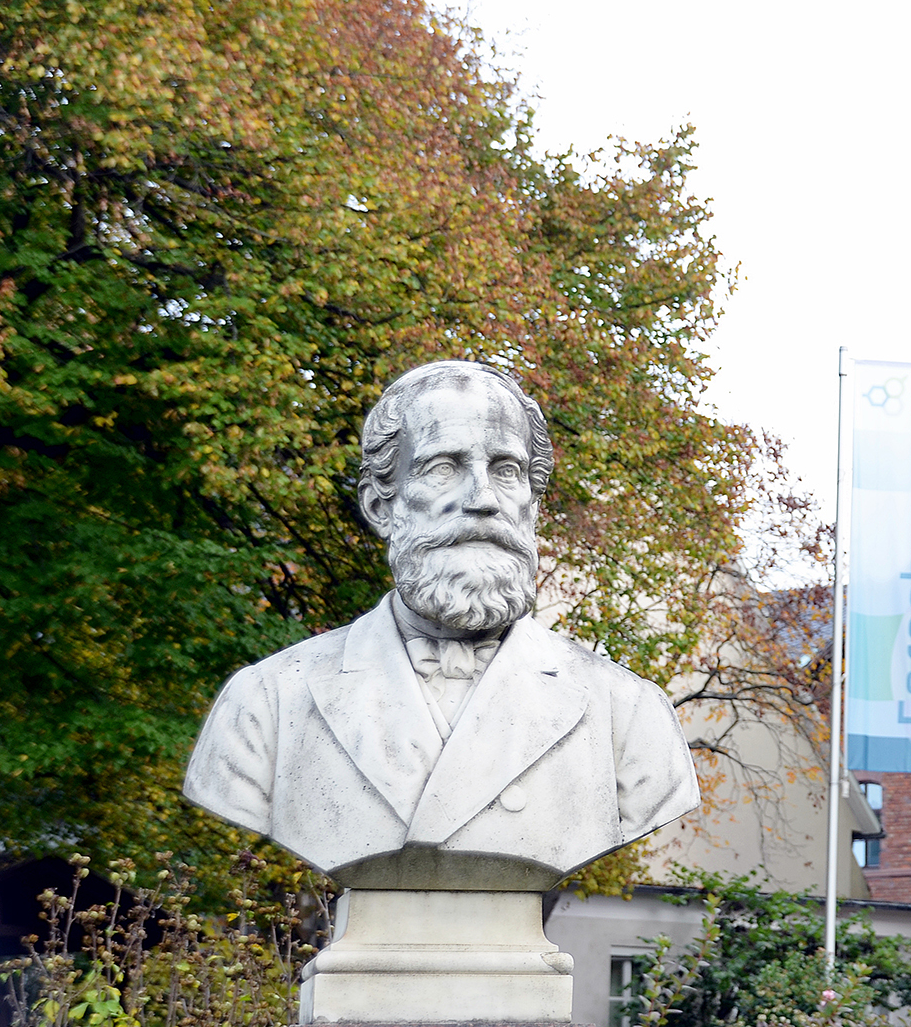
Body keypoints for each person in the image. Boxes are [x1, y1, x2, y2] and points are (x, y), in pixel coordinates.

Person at [183, 361, 698, 890]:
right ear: (381, 505)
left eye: (506, 470)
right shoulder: (265, 704)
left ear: (532, 505)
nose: (482, 499)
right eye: (442, 467)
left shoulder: (629, 714)